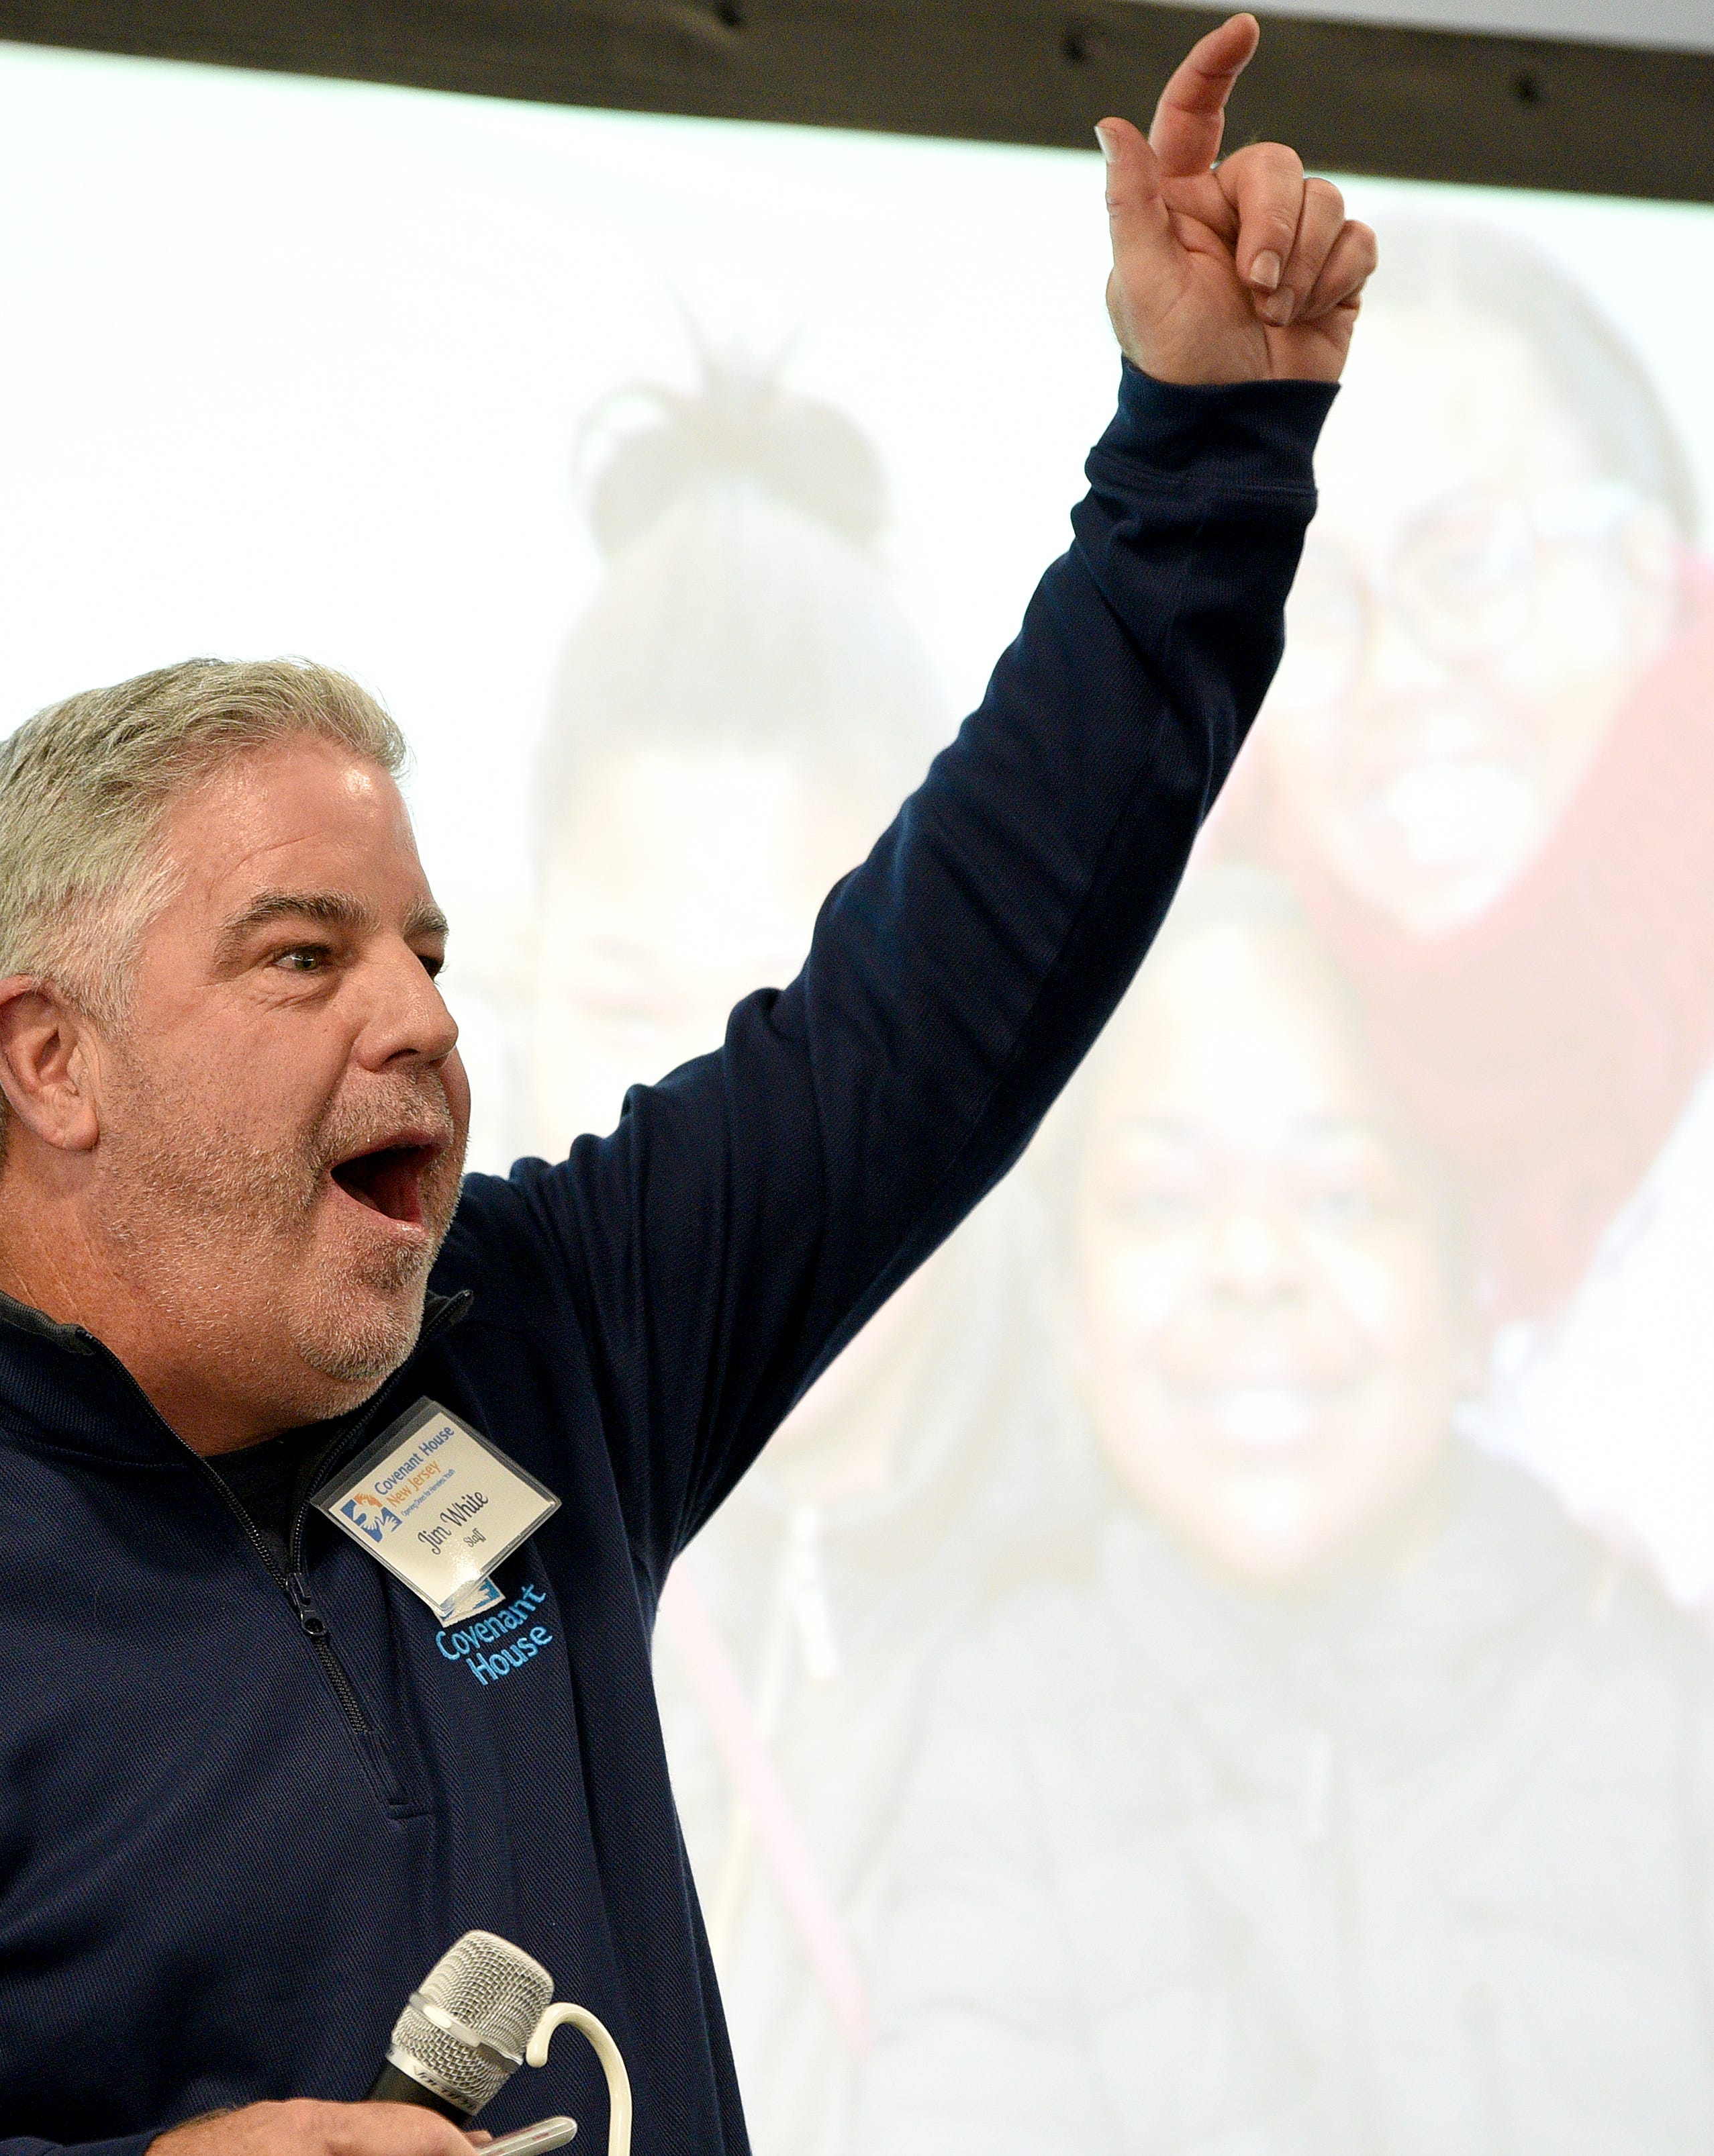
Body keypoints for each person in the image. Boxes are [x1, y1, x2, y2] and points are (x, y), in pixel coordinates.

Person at [0, 19, 1376, 2156]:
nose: (426, 1024)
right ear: (48, 1057)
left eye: (432, 954)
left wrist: (1207, 448)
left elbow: (938, 1000)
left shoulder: (540, 1355)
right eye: (306, 954)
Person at [857, 868, 1714, 2155]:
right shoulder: (1007, 1731)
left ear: (1475, 1289)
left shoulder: (1712, 1702)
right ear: (1067, 1314)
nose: (1252, 1266)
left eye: (1342, 1196)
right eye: (1159, 1199)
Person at [1216, 222, 1714, 1896]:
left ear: (1650, 580)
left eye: (1469, 559)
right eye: (1324, 604)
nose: (1400, 672)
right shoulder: (1299, 1043)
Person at [514, 345, 1063, 2156]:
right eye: (622, 993)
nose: (703, 1097)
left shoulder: (1149, 1522)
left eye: (787, 1013)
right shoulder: (399, 1566)